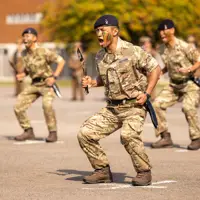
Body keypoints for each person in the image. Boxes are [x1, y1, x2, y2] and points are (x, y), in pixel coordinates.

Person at [77, 15, 161, 186]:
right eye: (97, 31)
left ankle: (144, 172)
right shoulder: (100, 56)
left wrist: (147, 93)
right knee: (85, 133)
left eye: (103, 30)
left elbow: (155, 69)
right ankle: (102, 171)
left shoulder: (133, 51)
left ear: (115, 31)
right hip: (112, 109)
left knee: (128, 135)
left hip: (134, 106)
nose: (99, 34)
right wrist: (93, 82)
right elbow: (104, 78)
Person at [151, 19, 200, 150]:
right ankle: (165, 137)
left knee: (188, 107)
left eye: (164, 30)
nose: (162, 33)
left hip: (189, 84)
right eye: (160, 31)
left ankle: (196, 138)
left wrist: (189, 69)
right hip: (174, 85)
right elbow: (168, 65)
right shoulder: (163, 49)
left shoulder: (184, 46)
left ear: (172, 30)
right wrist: (161, 71)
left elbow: (198, 60)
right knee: (157, 104)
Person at [14, 27, 65, 142]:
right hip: (35, 84)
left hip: (47, 84)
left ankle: (53, 133)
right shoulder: (24, 54)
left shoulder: (43, 51)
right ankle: (28, 131)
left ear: (35, 38)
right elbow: (29, 69)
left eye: (28, 36)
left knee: (47, 105)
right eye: (24, 36)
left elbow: (61, 61)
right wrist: (23, 75)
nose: (25, 38)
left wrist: (54, 76)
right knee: (18, 106)